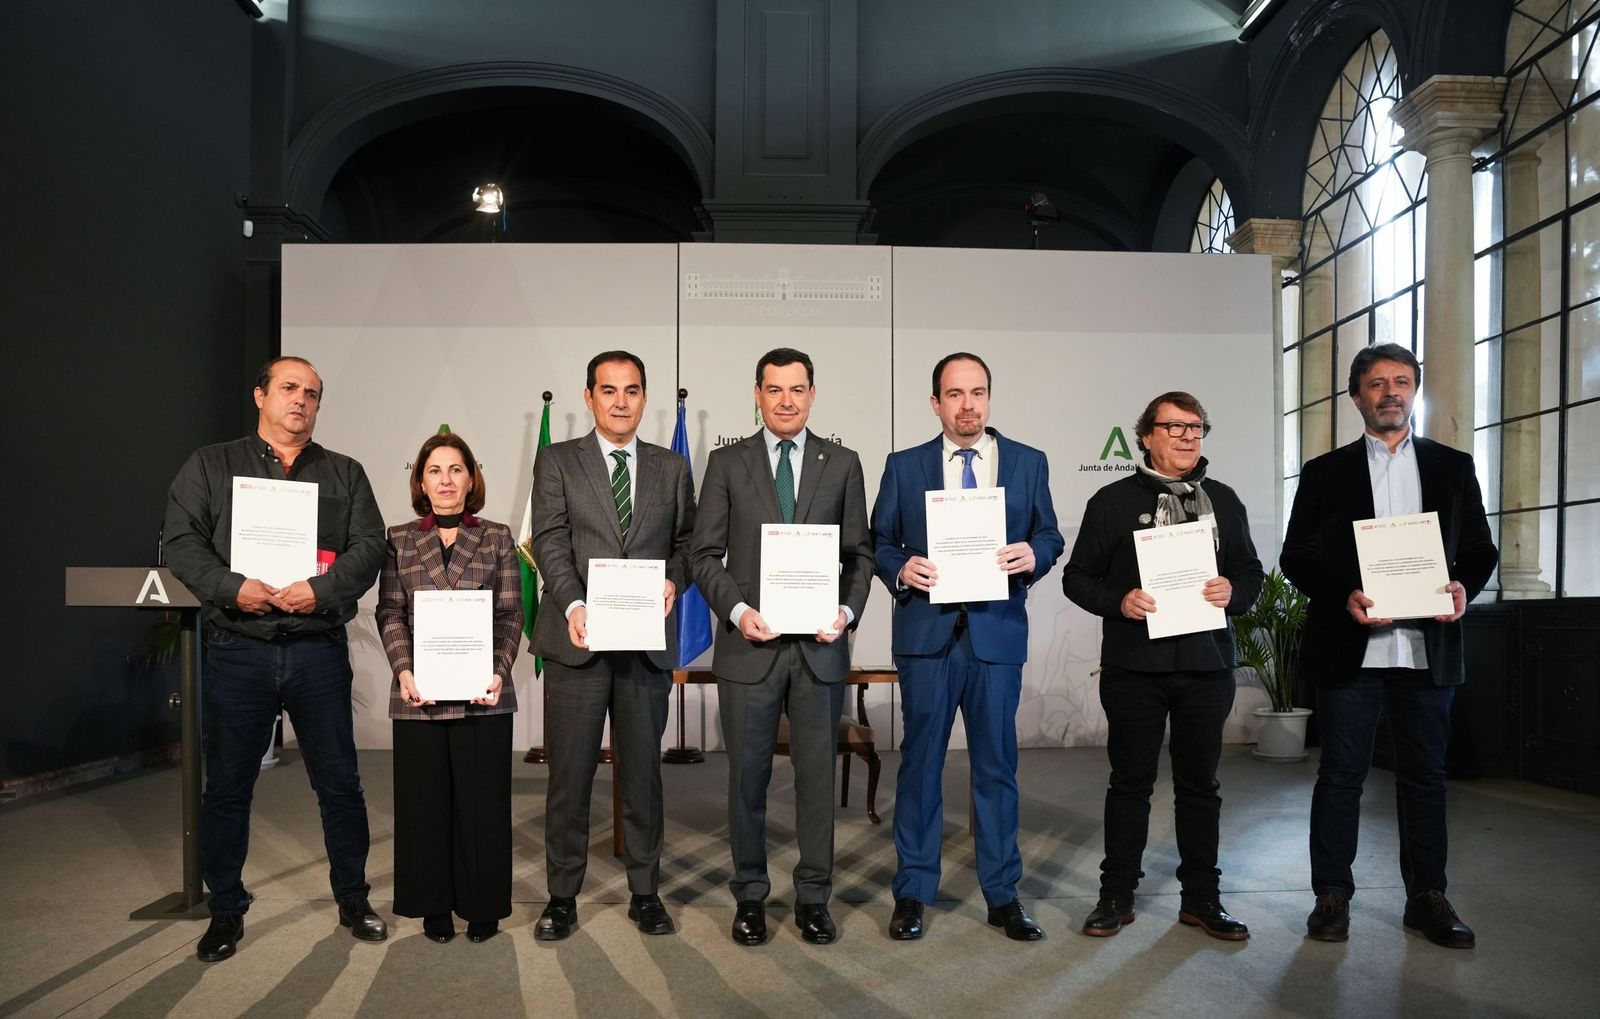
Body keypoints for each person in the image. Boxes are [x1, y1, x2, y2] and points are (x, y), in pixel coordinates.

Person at [163, 356, 387, 963]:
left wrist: (324, 589)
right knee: (229, 788)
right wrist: (230, 585)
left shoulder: (344, 472)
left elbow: (370, 548)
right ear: (260, 394)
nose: (301, 401)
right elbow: (181, 540)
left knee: (340, 784)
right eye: (289, 389)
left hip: (317, 647)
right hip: (240, 647)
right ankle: (226, 909)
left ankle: (353, 897)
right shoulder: (211, 465)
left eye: (312, 394)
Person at [1282, 342, 1496, 948]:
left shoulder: (1453, 467)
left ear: (1415, 391)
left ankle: (1426, 896)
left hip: (1428, 650)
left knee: (1426, 777)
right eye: (1377, 383)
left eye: (1402, 381)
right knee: (1341, 774)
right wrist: (1344, 593)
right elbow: (1297, 556)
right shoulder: (1326, 473)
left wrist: (1462, 586)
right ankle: (1331, 895)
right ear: (1357, 397)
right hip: (1353, 648)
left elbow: (1480, 550)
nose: (1391, 392)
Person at [870, 352, 1064, 942]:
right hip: (928, 638)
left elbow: (1049, 533)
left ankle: (1003, 894)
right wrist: (904, 569)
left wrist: (1036, 555)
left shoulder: (1029, 463)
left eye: (978, 392)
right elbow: (878, 541)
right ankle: (913, 893)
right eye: (955, 394)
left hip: (995, 635)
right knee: (920, 768)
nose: (968, 405)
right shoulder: (904, 467)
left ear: (989, 397)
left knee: (996, 769)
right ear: (936, 403)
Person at [1062, 391, 1264, 941]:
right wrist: (1119, 601)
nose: (1187, 436)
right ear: (1145, 435)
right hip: (1136, 665)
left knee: (1201, 786)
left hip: (1206, 665)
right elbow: (1076, 577)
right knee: (1130, 783)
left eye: (1196, 427)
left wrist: (1233, 590)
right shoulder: (1112, 501)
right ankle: (1116, 896)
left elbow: (1251, 574)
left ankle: (1202, 899)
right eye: (1173, 427)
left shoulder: (1223, 499)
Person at [690, 347, 873, 946]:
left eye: (797, 389)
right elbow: (702, 554)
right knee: (748, 779)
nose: (787, 400)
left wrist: (845, 613)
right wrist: (739, 613)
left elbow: (860, 556)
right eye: (775, 389)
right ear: (757, 394)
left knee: (817, 780)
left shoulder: (842, 463)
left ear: (813, 394)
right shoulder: (726, 463)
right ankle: (749, 896)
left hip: (818, 652)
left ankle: (814, 898)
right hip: (751, 649)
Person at [528, 351, 696, 941]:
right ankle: (561, 896)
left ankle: (645, 891)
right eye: (608, 390)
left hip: (644, 645)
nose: (620, 401)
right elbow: (549, 541)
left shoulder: (671, 468)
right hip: (578, 642)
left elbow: (686, 542)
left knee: (644, 774)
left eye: (631, 390)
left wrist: (674, 579)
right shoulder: (557, 461)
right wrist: (575, 606)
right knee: (569, 777)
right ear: (589, 397)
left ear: (645, 398)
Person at [374, 431, 522, 944]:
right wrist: (404, 670)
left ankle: (482, 908)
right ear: (419, 480)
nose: (446, 480)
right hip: (419, 693)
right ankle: (433, 906)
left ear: (471, 478)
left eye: (456, 469)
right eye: (434, 470)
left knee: (483, 807)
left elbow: (510, 615)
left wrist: (499, 670)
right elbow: (390, 611)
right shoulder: (398, 538)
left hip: (484, 694)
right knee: (423, 807)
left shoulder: (499, 537)